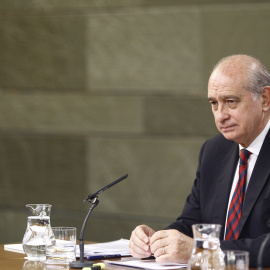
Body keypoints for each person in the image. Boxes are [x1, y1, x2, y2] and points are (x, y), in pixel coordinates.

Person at [129, 54, 270, 267]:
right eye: (214, 103)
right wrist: (158, 240)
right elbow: (192, 223)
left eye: (231, 102)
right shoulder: (214, 151)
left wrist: (202, 251)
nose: (220, 115)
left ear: (265, 99)